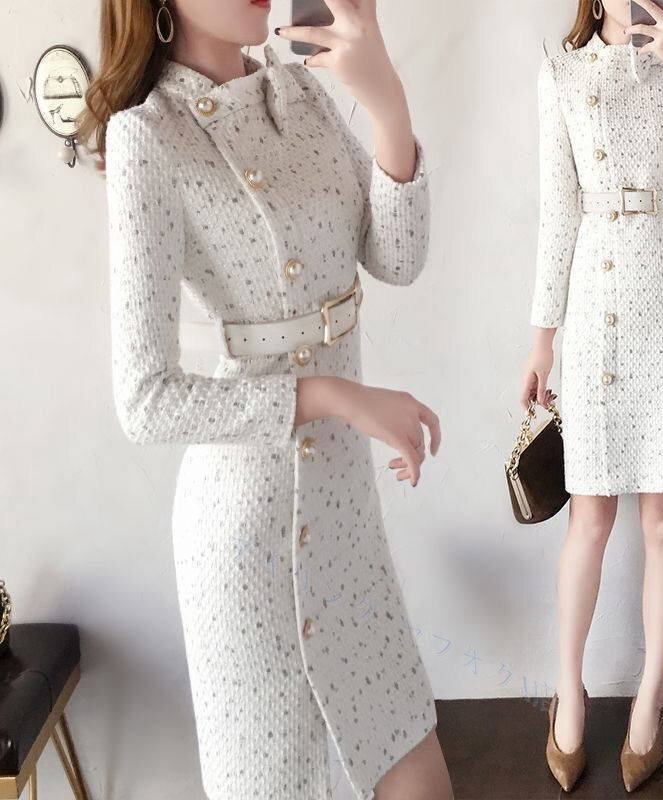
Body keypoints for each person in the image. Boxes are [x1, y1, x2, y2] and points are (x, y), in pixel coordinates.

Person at [79, 0, 453, 798]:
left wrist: (387, 101)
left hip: (343, 513)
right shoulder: (149, 135)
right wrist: (337, 396)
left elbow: (398, 257)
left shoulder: (301, 90)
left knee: (416, 771)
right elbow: (145, 400)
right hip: (247, 533)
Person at [519, 0, 663, 791]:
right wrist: (542, 340)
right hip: (596, 311)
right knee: (591, 517)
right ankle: (568, 689)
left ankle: (650, 695)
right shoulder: (562, 74)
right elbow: (556, 211)